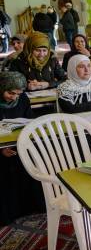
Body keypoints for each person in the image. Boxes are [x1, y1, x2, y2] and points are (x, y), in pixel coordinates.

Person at [0, 72, 45, 226]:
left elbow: (29, 119)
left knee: (34, 159)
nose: (14, 97)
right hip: (2, 148)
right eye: (10, 93)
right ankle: (9, 213)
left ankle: (29, 207)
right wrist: (2, 149)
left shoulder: (22, 98)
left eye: (18, 94)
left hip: (20, 143)